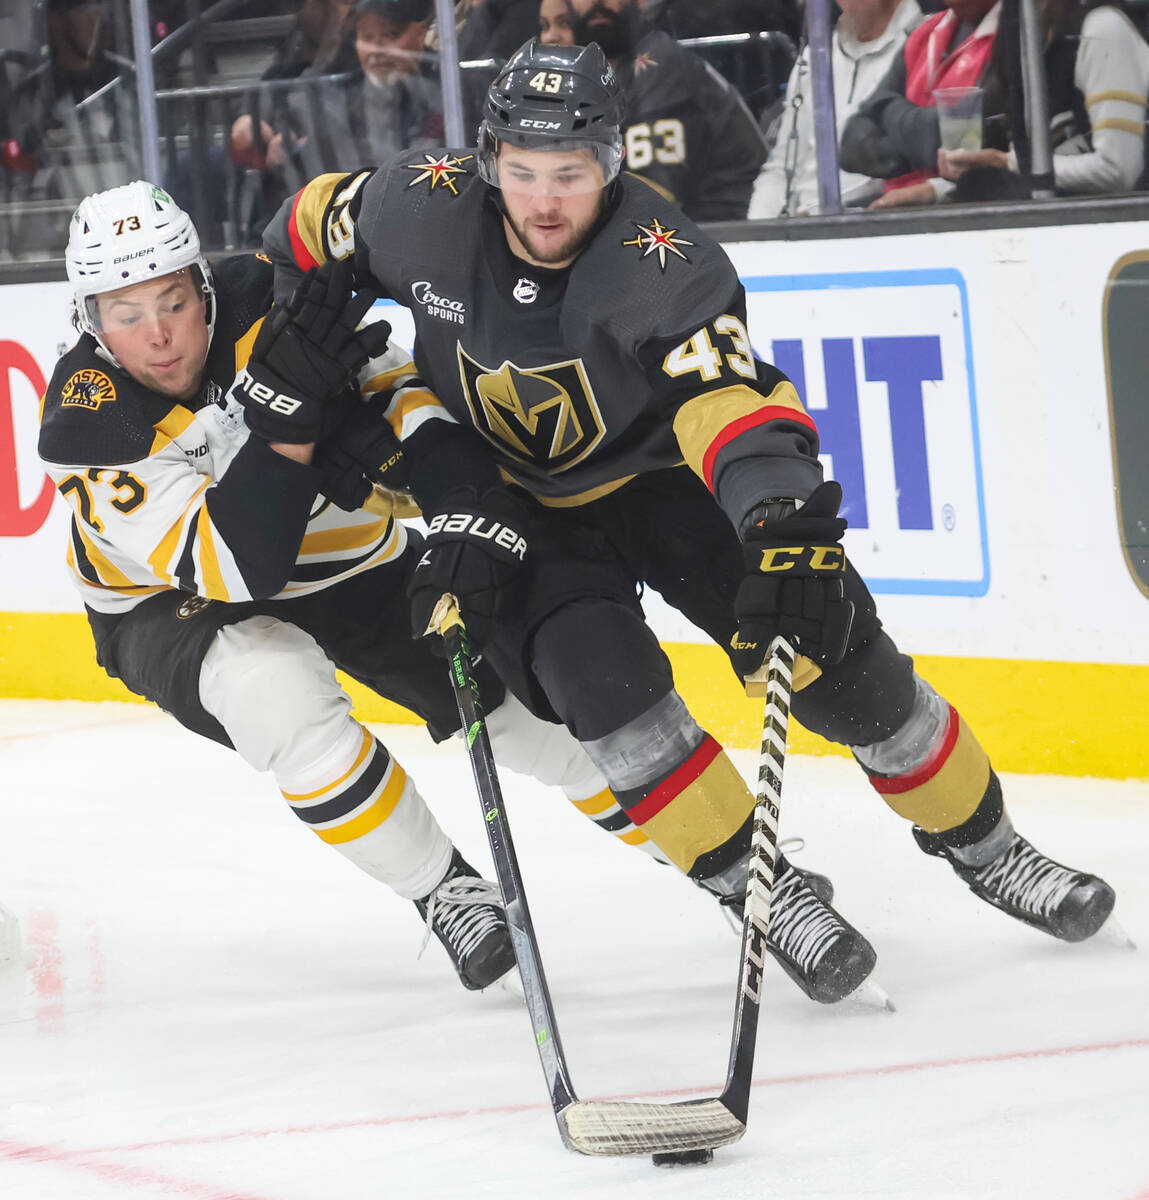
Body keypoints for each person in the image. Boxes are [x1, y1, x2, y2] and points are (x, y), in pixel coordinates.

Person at [264, 41, 1118, 1005]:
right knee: (608, 694)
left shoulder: (660, 260)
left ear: (613, 164)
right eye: (522, 173)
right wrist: (302, 353)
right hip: (510, 505)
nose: (545, 201)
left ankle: (991, 850)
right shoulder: (412, 202)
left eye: (571, 175)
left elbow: (727, 403)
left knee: (845, 670)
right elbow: (290, 235)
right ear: (485, 159)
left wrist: (777, 517)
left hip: (660, 481)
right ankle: (762, 891)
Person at [37, 179, 615, 995]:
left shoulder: (272, 301)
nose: (159, 337)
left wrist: (454, 502)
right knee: (271, 686)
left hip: (340, 559)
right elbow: (238, 569)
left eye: (172, 301)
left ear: (204, 285)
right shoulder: (87, 421)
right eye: (125, 316)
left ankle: (715, 859)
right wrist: (289, 416)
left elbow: (403, 396)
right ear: (91, 324)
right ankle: (441, 888)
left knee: (513, 694)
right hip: (169, 603)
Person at [229, 0, 443, 232]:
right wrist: (273, 128)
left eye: (390, 35)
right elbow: (292, 88)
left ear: (420, 34)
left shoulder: (444, 89)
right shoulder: (326, 94)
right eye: (367, 38)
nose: (378, 49)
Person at [559, 0, 769, 220]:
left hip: (730, 234)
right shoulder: (600, 73)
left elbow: (650, 200)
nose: (597, 1)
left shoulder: (662, 66)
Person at [936, 0, 1149, 200]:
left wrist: (1006, 163)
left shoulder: (1103, 27)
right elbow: (1004, 153)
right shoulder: (1022, 28)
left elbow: (1118, 170)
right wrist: (932, 189)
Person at [749, 0, 923, 217]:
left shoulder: (924, 45)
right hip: (799, 230)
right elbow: (780, 170)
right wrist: (759, 232)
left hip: (877, 225)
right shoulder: (814, 56)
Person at [838, 0, 1002, 209]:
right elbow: (851, 144)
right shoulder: (925, 32)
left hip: (970, 216)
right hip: (895, 212)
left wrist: (890, 115)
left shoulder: (1021, 37)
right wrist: (923, 146)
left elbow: (963, 138)